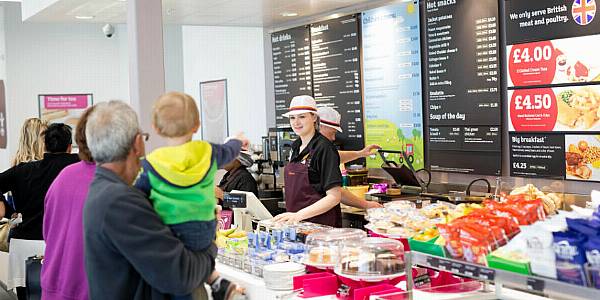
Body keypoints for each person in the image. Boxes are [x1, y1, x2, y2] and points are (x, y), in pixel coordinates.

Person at [83, 100, 217, 300]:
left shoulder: (104, 192)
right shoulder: (119, 202)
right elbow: (181, 276)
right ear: (137, 143)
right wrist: (210, 246)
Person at [134, 92, 247, 300]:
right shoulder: (207, 152)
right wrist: (238, 141)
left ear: (156, 128)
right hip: (205, 229)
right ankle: (216, 281)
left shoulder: (151, 162)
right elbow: (229, 151)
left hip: (172, 233)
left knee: (181, 273)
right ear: (196, 126)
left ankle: (209, 285)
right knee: (202, 256)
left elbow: (137, 195)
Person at [0, 123, 79, 299]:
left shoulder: (24, 170)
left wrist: (8, 211)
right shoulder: (79, 166)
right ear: (69, 146)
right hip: (63, 244)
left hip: (24, 244)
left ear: (45, 145)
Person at [41, 106, 96, 300]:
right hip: (88, 290)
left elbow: (49, 232)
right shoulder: (115, 183)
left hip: (58, 286)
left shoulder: (64, 177)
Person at [273, 95, 342, 227]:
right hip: (298, 226)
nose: (296, 122)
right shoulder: (295, 146)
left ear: (314, 117)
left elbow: (334, 197)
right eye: (292, 118)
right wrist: (295, 217)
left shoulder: (324, 148)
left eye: (302, 117)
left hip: (321, 229)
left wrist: (298, 215)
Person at [317, 106, 383, 209]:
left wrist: (360, 153)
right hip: (320, 216)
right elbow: (337, 192)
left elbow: (335, 156)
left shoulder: (305, 147)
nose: (334, 138)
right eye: (333, 132)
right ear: (321, 126)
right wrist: (366, 204)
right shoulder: (321, 149)